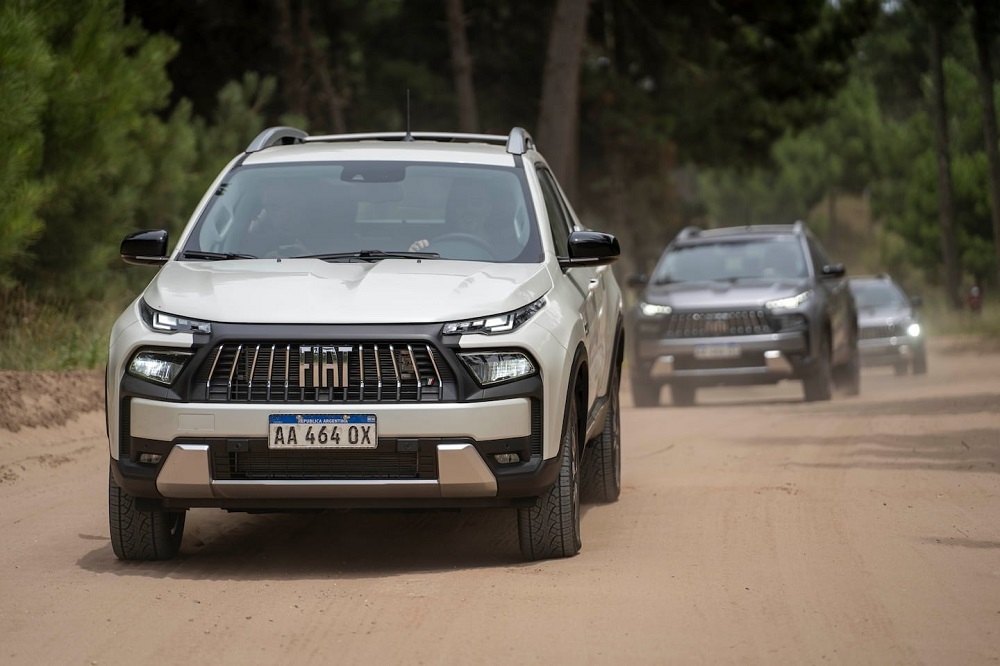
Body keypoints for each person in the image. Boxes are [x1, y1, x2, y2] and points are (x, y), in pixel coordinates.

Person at [409, 178, 492, 252]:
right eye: (461, 203)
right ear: (452, 209)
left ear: (488, 208)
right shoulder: (430, 243)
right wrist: (414, 256)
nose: (468, 209)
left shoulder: (503, 250)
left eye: (476, 203)